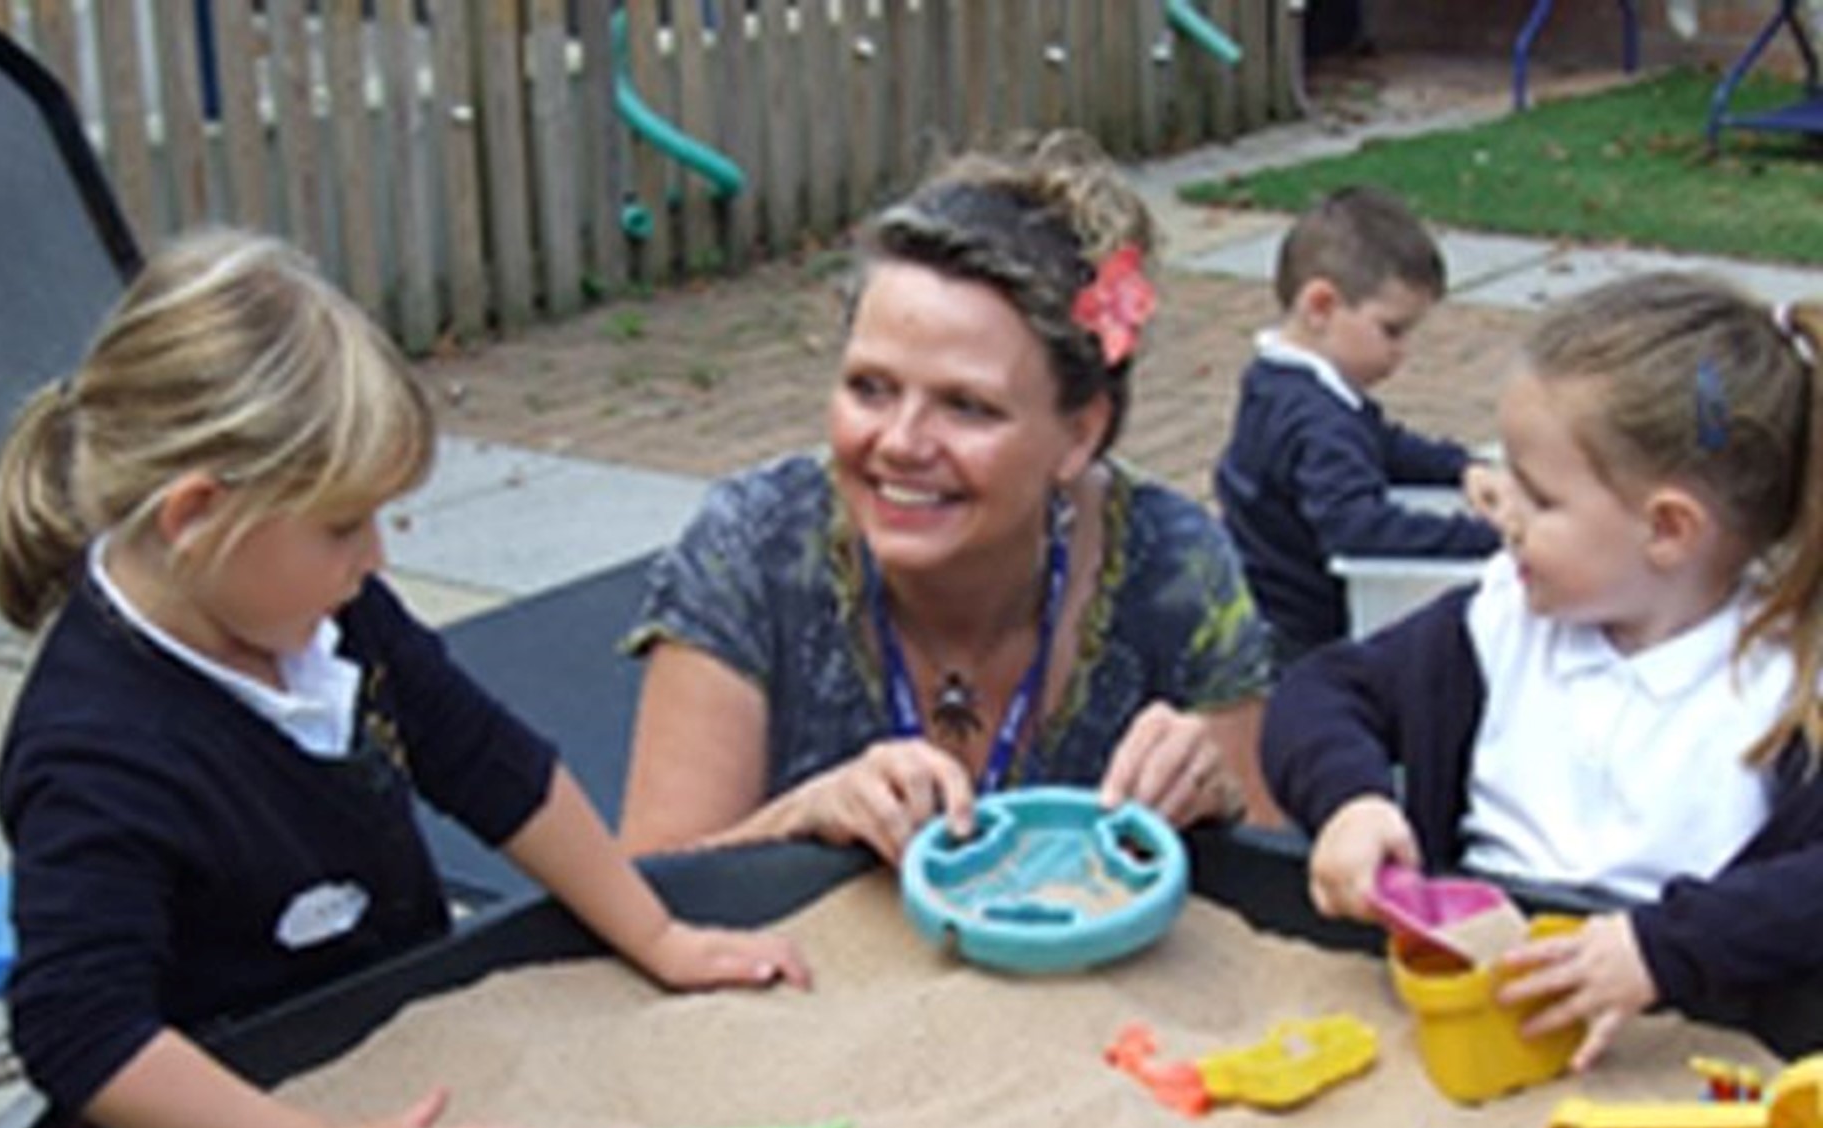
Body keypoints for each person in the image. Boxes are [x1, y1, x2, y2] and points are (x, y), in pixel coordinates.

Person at [0, 229, 808, 1128]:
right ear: (194, 516)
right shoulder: (96, 750)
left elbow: (490, 761)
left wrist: (657, 935)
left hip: (398, 1013)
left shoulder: (323, 616)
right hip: (237, 1115)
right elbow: (82, 1033)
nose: (373, 556)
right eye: (342, 526)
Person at [619, 130, 1277, 865]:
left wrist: (1218, 805)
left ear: (1079, 435)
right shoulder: (750, 550)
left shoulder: (1178, 572)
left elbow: (1262, 910)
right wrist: (800, 819)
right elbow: (649, 899)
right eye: (870, 388)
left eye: (966, 406)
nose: (901, 441)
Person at [1262, 271, 1823, 1069]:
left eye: (1540, 495)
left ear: (1668, 529)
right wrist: (1349, 801)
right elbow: (1324, 690)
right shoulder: (1506, 620)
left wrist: (1664, 950)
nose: (1502, 509)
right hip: (1474, 1014)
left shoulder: (1782, 677)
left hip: (1689, 1040)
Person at [1215, 185, 1502, 668]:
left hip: (1262, 612)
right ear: (1321, 307)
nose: (1402, 351)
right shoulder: (1317, 419)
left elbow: (1381, 446)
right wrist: (1490, 539)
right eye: (1392, 330)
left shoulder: (1279, 381)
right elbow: (1359, 529)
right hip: (1296, 646)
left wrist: (1461, 468)